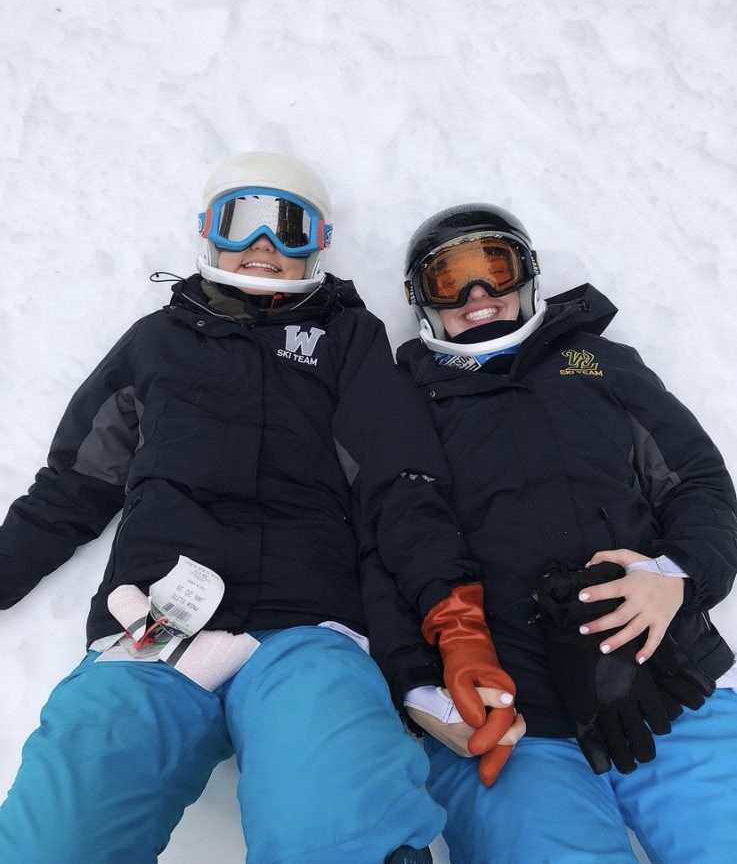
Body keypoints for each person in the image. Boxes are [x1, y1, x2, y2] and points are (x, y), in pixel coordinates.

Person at [0, 154, 500, 864]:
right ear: (209, 232)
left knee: (335, 820)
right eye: (242, 221)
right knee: (60, 828)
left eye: (289, 227)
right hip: (153, 624)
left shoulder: (348, 341)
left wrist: (454, 625)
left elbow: (403, 488)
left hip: (308, 627)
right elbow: (73, 485)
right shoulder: (155, 343)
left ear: (317, 243)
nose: (264, 247)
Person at [392, 203, 737, 863]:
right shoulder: (401, 400)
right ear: (421, 301)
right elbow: (386, 547)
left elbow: (697, 482)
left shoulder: (599, 364)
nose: (477, 295)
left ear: (528, 278)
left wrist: (675, 577)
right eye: (449, 279)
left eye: (496, 268)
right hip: (507, 715)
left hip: (663, 678)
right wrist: (416, 687)